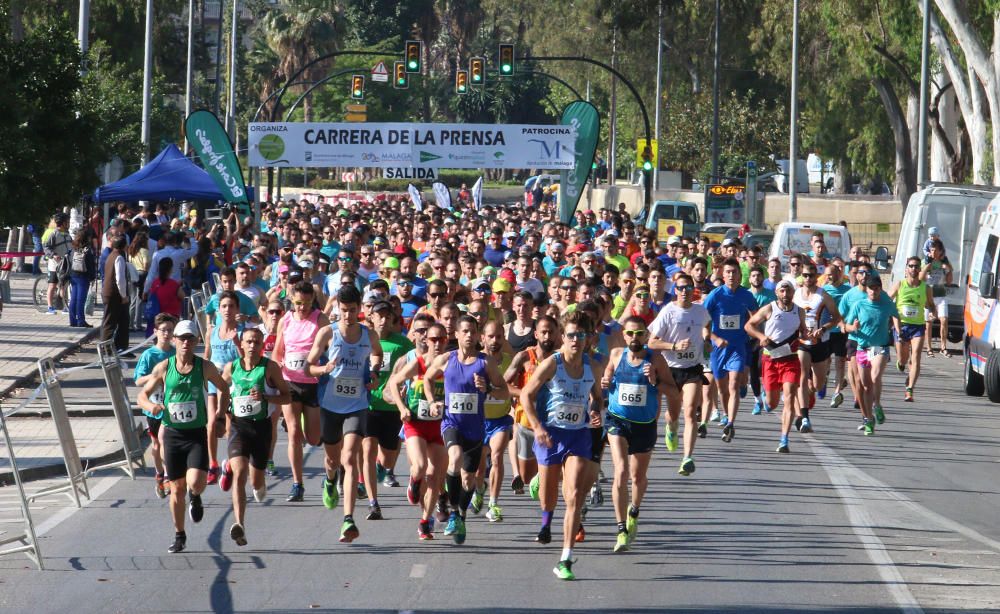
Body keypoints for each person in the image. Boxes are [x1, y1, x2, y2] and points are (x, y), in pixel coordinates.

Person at [519, 310, 603, 581]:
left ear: (588, 338)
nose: (575, 340)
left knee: (575, 494)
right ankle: (546, 521)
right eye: (570, 335)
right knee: (548, 497)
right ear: (562, 337)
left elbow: (598, 397)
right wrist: (538, 427)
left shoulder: (593, 366)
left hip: (578, 434)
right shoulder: (552, 364)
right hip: (550, 434)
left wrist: (595, 409)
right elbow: (526, 395)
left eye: (580, 335)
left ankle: (565, 558)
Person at [137, 319, 230, 554]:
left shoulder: (204, 366)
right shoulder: (164, 367)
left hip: (196, 433)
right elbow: (142, 395)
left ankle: (196, 497)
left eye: (190, 338)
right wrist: (152, 406)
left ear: (197, 341)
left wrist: (220, 415)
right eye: (182, 338)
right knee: (176, 488)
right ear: (175, 341)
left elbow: (224, 387)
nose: (186, 343)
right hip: (172, 434)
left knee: (196, 483)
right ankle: (179, 535)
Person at [306, 284, 383, 543]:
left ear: (360, 309)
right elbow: (308, 368)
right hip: (330, 405)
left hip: (357, 404)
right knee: (333, 460)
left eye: (352, 310)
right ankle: (329, 479)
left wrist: (373, 372)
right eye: (343, 310)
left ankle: (348, 519)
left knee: (350, 458)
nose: (348, 315)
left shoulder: (368, 335)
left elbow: (377, 355)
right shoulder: (327, 333)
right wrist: (324, 369)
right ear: (337, 309)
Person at [422, 315, 509, 545]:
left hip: (475, 428)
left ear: (478, 335)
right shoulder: (446, 359)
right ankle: (453, 513)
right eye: (465, 331)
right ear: (457, 335)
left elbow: (504, 392)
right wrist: (432, 402)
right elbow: (427, 379)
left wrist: (488, 387)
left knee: (469, 479)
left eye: (473, 331)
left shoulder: (486, 362)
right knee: (454, 459)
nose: (469, 335)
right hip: (451, 423)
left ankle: (460, 515)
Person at [601, 316, 673, 552]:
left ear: (645, 335)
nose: (635, 338)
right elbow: (606, 378)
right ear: (624, 335)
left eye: (639, 333)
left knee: (637, 477)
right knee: (620, 471)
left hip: (644, 423)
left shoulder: (656, 360)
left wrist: (654, 381)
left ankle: (634, 510)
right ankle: (621, 529)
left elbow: (675, 393)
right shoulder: (616, 354)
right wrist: (605, 382)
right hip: (617, 420)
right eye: (630, 333)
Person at [218, 327, 290, 546]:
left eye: (256, 342)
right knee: (240, 474)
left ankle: (239, 472)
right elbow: (222, 389)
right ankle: (239, 524)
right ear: (242, 344)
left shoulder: (270, 368)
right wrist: (222, 414)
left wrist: (267, 397)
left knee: (256, 482)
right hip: (239, 427)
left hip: (261, 428)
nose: (252, 346)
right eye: (248, 341)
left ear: (262, 346)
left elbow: (287, 397)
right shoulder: (232, 367)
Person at [387, 317, 447, 540]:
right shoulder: (418, 363)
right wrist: (402, 407)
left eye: (442, 339)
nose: (438, 343)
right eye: (433, 339)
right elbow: (393, 383)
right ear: (427, 341)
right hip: (415, 423)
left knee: (436, 477)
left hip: (439, 426)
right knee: (420, 466)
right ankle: (414, 482)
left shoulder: (450, 365)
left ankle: (425, 521)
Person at [648, 273, 712, 475]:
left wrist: (706, 337)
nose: (685, 291)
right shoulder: (668, 312)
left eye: (688, 287)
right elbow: (652, 342)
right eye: (681, 288)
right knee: (673, 414)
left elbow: (707, 323)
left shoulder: (701, 311)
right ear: (675, 290)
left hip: (692, 368)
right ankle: (672, 427)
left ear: (694, 290)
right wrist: (674, 346)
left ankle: (687, 458)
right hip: (670, 369)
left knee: (691, 411)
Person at [272, 281, 329, 501]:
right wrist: (277, 373)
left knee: (314, 438)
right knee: (294, 432)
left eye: (306, 303)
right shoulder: (285, 320)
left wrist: (323, 365)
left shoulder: (319, 319)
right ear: (292, 301)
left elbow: (331, 348)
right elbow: (278, 352)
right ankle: (297, 484)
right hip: (290, 382)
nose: (302, 308)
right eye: (297, 303)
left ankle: (330, 468)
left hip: (314, 384)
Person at [362, 300, 414, 518]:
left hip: (393, 408)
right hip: (367, 404)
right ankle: (373, 502)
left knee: (389, 457)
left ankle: (382, 469)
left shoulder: (403, 344)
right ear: (371, 318)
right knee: (367, 451)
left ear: (393, 319)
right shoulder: (362, 342)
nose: (383, 320)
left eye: (387, 316)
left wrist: (406, 391)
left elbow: (414, 370)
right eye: (378, 316)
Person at [745, 280, 807, 453]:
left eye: (788, 291)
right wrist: (760, 336)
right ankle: (767, 394)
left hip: (790, 360)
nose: (785, 294)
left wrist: (810, 335)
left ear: (793, 292)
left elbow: (804, 332)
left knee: (789, 396)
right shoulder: (769, 308)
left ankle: (784, 439)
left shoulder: (799, 311)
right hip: (770, 360)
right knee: (771, 404)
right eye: (782, 291)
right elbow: (748, 325)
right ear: (777, 293)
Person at [701, 258, 758, 442]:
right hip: (718, 350)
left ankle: (730, 423)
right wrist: (714, 338)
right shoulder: (715, 295)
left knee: (734, 383)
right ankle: (726, 414)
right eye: (728, 272)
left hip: (738, 346)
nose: (732, 275)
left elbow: (756, 317)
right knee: (722, 388)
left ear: (740, 275)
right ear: (723, 275)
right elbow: (702, 321)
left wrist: (755, 333)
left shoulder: (746, 296)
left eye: (735, 272)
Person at [842, 275, 898, 435]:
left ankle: (877, 404)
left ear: (880, 289)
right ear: (866, 289)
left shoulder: (887, 304)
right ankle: (868, 420)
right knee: (866, 386)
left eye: (877, 288)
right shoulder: (859, 305)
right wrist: (853, 327)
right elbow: (847, 325)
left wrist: (900, 334)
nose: (874, 291)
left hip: (880, 347)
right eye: (871, 288)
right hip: (862, 348)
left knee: (875, 377)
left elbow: (897, 317)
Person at [792, 263, 841, 433]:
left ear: (816, 277)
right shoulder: (796, 294)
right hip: (802, 343)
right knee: (802, 376)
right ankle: (804, 417)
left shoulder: (823, 296)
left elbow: (836, 317)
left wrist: (824, 328)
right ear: (802, 276)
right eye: (805, 275)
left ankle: (818, 385)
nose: (808, 278)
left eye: (811, 275)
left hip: (820, 343)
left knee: (817, 385)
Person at [134, 313, 178, 497]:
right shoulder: (149, 355)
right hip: (153, 406)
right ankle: (160, 474)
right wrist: (156, 377)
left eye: (170, 330)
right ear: (155, 332)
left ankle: (169, 475)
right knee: (157, 444)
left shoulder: (176, 352)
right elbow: (138, 381)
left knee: (167, 441)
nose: (166, 334)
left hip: (172, 405)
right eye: (163, 330)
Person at [474, 320, 514, 522]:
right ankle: (479, 489)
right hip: (478, 421)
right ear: (482, 338)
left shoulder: (510, 360)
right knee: (480, 466)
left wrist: (504, 392)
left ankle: (494, 503)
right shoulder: (475, 361)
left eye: (499, 336)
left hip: (500, 420)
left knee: (497, 456)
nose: (495, 340)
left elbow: (515, 388)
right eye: (490, 336)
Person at [890, 257, 935, 402]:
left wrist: (933, 311)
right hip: (901, 326)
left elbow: (931, 304)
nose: (914, 269)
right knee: (903, 359)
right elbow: (887, 299)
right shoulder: (900, 285)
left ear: (920, 269)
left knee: (916, 356)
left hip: (918, 326)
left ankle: (909, 390)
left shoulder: (925, 288)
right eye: (911, 266)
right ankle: (902, 364)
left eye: (916, 266)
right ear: (906, 269)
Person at [921, 239, 952, 356]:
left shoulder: (944, 261)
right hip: (929, 296)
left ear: (940, 251)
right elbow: (921, 278)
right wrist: (927, 266)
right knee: (928, 323)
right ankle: (929, 348)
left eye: (936, 250)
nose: (933, 252)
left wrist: (947, 269)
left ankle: (943, 347)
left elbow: (949, 281)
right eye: (931, 250)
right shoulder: (926, 261)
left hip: (941, 295)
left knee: (944, 320)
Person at [101, 235, 131, 353]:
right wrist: (124, 296)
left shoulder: (111, 255)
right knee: (110, 321)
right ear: (124, 246)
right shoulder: (118, 258)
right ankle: (106, 347)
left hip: (110, 292)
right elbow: (120, 279)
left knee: (123, 320)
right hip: (114, 294)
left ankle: (121, 346)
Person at [42, 212, 72, 315]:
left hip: (66, 264)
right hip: (55, 265)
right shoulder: (54, 234)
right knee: (52, 285)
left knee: (64, 285)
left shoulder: (68, 235)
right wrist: (53, 255)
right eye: (67, 222)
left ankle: (65, 306)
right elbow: (46, 248)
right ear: (63, 223)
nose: (69, 223)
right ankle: (50, 307)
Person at [67, 228, 97, 328]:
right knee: (81, 300)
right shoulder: (87, 249)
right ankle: (81, 320)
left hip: (73, 275)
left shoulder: (73, 248)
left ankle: (72, 320)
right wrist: (93, 277)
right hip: (83, 276)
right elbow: (90, 264)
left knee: (73, 299)